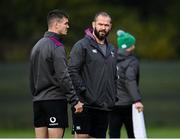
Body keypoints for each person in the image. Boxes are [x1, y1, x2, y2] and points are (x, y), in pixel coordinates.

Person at [29, 9, 83, 138]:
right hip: (54, 101)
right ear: (56, 25)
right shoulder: (57, 46)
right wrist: (75, 100)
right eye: (66, 23)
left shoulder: (36, 46)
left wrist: (37, 95)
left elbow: (31, 77)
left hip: (38, 102)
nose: (68, 26)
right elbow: (63, 76)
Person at [68, 12, 117, 138]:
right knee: (82, 137)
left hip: (104, 106)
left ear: (110, 26)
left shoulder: (112, 49)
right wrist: (83, 93)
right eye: (100, 24)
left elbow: (113, 76)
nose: (103, 27)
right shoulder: (82, 45)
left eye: (106, 25)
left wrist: (113, 96)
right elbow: (72, 71)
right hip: (85, 104)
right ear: (93, 24)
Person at [108, 30, 144, 138]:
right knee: (133, 134)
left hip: (113, 104)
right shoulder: (131, 61)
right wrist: (137, 100)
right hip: (128, 104)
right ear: (131, 45)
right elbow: (130, 80)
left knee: (114, 134)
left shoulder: (110, 58)